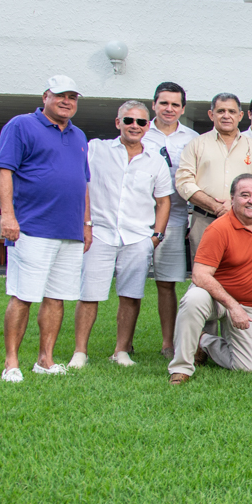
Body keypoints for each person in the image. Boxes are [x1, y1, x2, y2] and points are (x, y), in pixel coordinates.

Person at [0, 75, 90, 382]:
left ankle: (45, 360)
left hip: (70, 230)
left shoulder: (78, 135)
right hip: (32, 227)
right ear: (45, 96)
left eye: (72, 97)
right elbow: (3, 170)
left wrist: (86, 223)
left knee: (56, 297)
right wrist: (8, 216)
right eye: (60, 95)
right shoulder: (21, 125)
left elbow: (83, 183)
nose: (67, 101)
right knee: (23, 295)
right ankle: (11, 363)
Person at [167, 174, 252, 384]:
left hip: (249, 303)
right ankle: (181, 368)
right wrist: (232, 306)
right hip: (215, 297)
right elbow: (200, 274)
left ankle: (204, 341)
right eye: (245, 195)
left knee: (250, 368)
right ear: (232, 198)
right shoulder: (218, 229)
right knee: (193, 300)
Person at [72, 100, 171, 369]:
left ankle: (121, 351)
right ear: (118, 123)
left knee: (131, 295)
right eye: (129, 120)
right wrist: (86, 223)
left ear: (147, 126)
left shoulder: (156, 161)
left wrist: (156, 236)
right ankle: (80, 352)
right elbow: (82, 185)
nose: (134, 126)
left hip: (137, 237)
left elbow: (163, 201)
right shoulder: (96, 149)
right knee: (89, 294)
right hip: (100, 233)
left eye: (141, 122)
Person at [175, 92, 252, 257]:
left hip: (243, 221)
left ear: (240, 115)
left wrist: (236, 205)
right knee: (204, 270)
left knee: (240, 268)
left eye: (232, 111)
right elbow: (184, 182)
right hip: (204, 219)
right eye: (221, 111)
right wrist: (215, 206)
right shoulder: (196, 144)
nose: (226, 116)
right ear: (211, 114)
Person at [143, 81, 197, 360]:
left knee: (167, 283)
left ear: (183, 108)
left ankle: (168, 343)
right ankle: (123, 344)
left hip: (175, 217)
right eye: (164, 103)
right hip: (137, 217)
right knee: (130, 283)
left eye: (175, 104)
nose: (169, 108)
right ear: (154, 104)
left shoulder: (192, 138)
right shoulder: (140, 130)